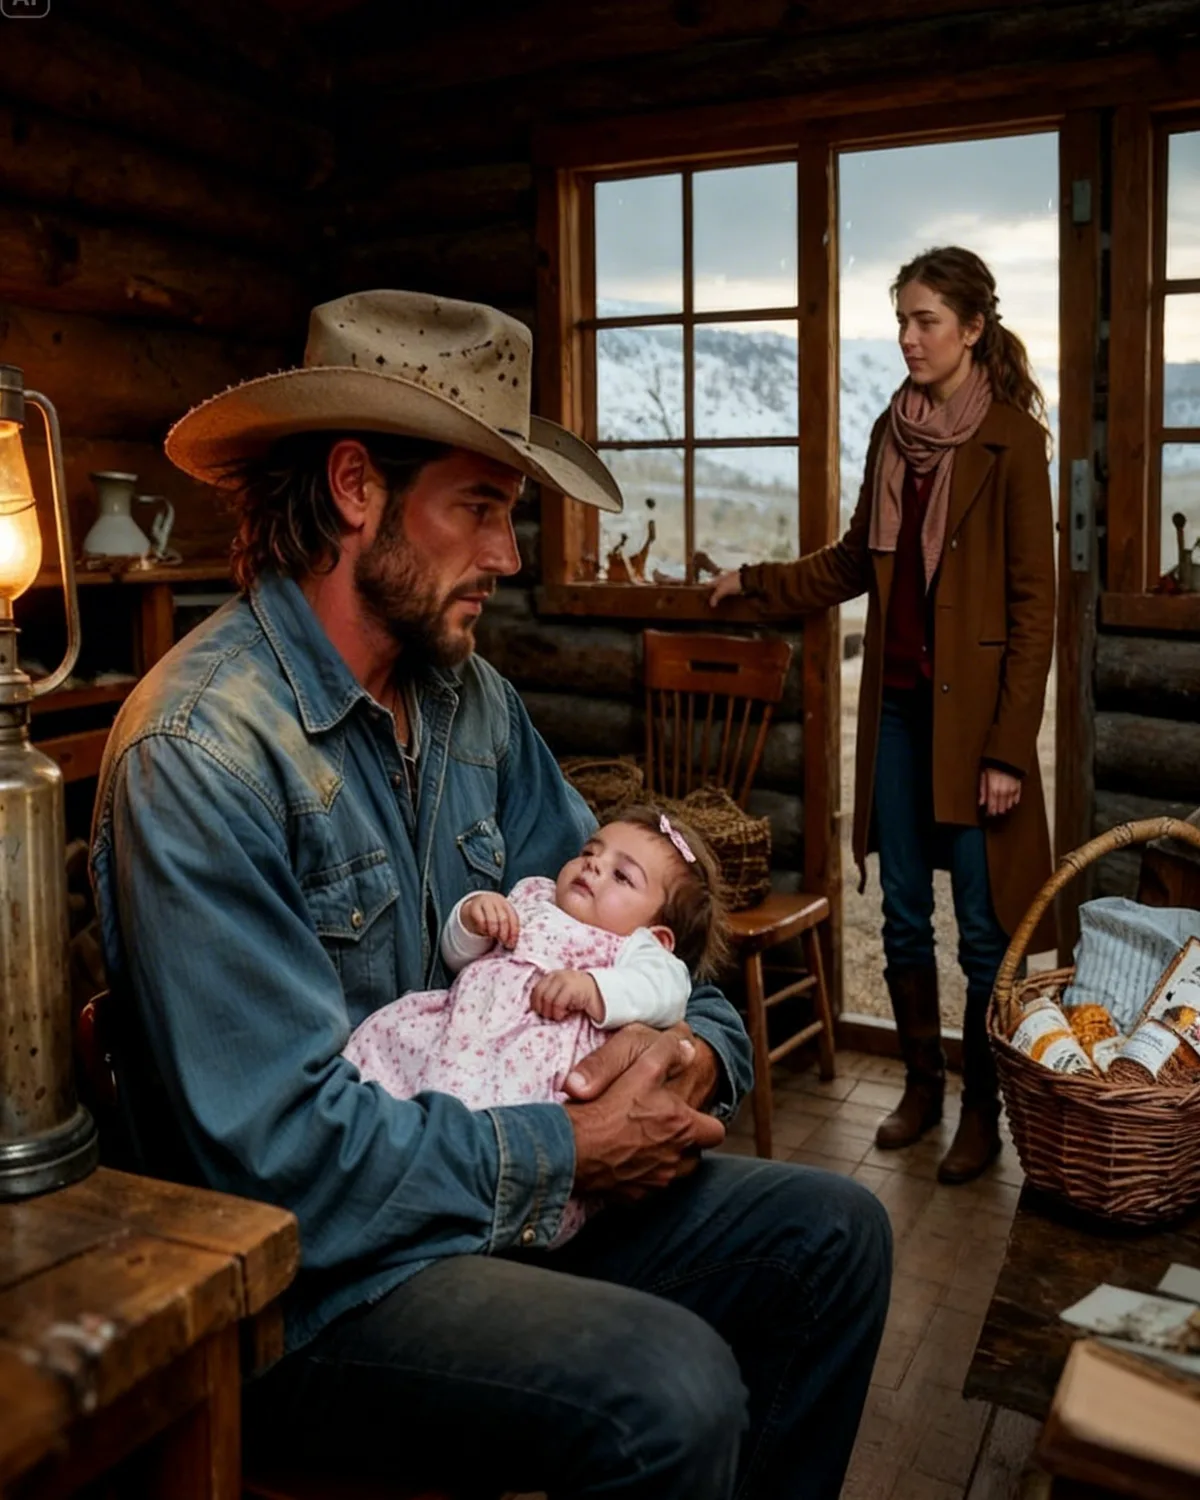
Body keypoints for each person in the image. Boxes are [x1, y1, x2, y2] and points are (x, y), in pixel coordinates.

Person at [90, 289, 891, 1500]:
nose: (511, 558)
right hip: (320, 1289)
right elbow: (281, 1163)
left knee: (837, 1240)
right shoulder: (201, 752)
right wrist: (567, 1150)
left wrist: (691, 1060)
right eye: (480, 508)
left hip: (504, 1199)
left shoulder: (473, 707)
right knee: (665, 1393)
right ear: (357, 489)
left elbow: (643, 944)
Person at [711, 246, 1055, 1185]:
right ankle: (921, 1091)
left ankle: (982, 1113)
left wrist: (1010, 752)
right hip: (899, 716)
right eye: (900, 320)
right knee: (904, 914)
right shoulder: (889, 432)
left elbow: (1036, 613)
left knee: (984, 932)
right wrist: (755, 581)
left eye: (925, 321)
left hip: (979, 731)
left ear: (973, 328)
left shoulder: (1016, 445)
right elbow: (854, 561)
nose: (907, 338)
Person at [345, 806, 728, 1243]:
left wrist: (594, 988)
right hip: (461, 1028)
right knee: (390, 1065)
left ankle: (477, 1207)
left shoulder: (635, 950)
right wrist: (474, 917)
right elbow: (460, 956)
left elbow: (668, 989)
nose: (594, 865)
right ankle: (390, 1162)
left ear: (659, 936)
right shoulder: (534, 896)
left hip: (531, 1064)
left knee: (495, 1115)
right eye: (591, 851)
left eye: (622, 877)